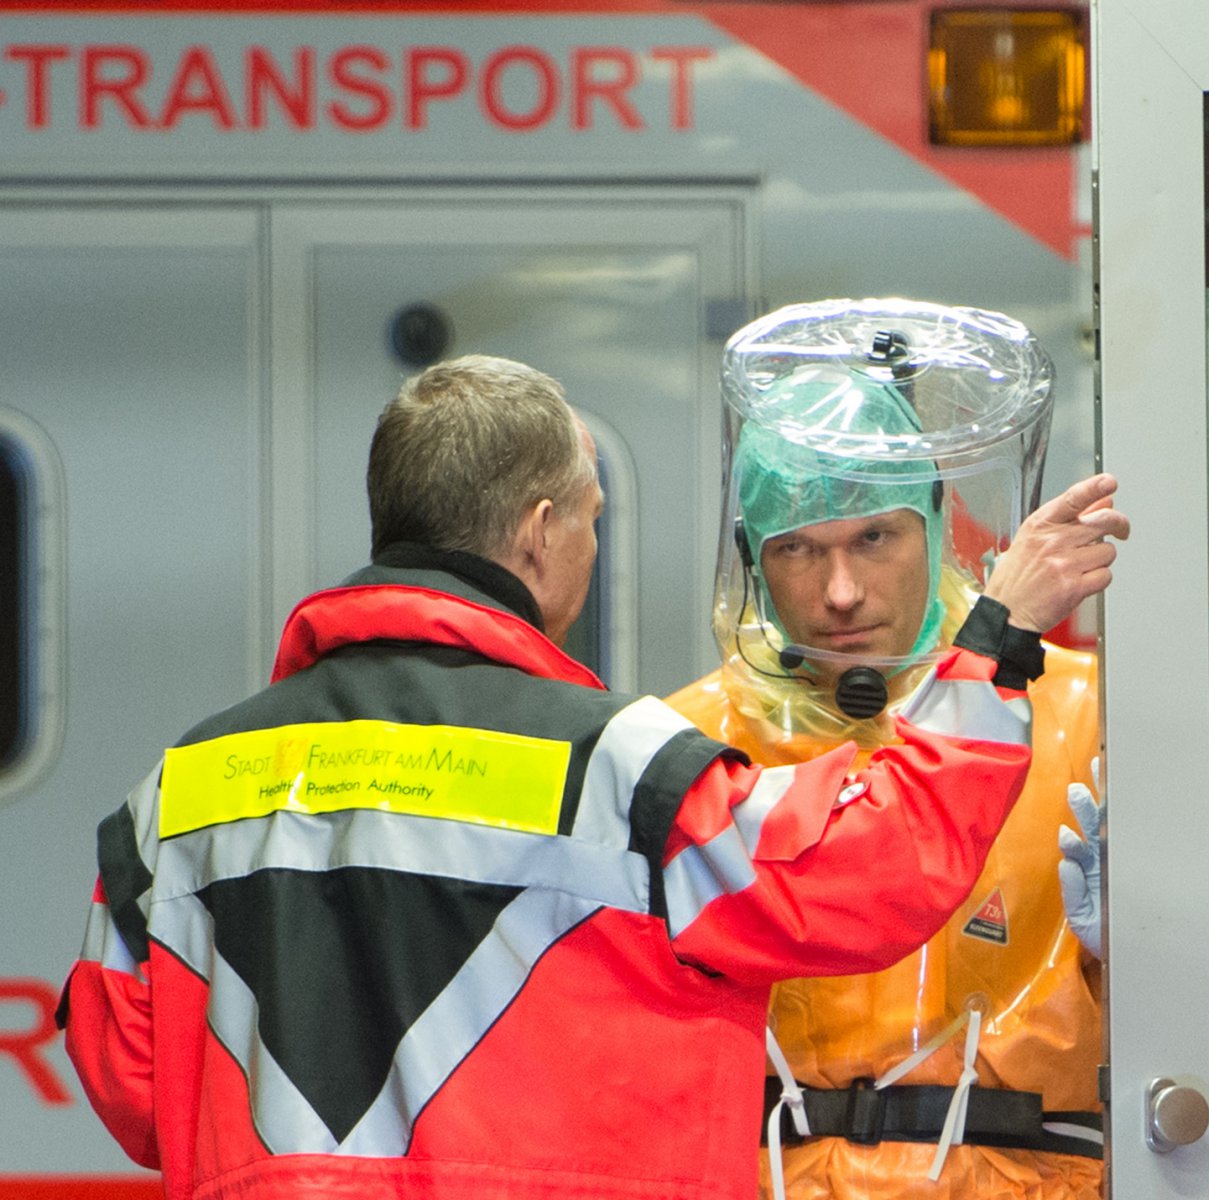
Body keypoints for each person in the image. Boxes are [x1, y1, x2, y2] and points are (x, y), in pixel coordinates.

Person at [56, 353, 1128, 1200]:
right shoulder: (617, 765)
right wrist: (996, 646)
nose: (838, 588)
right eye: (592, 516)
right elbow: (860, 876)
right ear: (541, 532)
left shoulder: (171, 800)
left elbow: (133, 1084)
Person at [663, 299, 1118, 1200]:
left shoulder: (1079, 716)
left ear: (937, 523)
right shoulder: (693, 745)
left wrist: (1138, 948)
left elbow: (1196, 1034)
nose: (841, 591)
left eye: (874, 537)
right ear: (754, 561)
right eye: (799, 549)